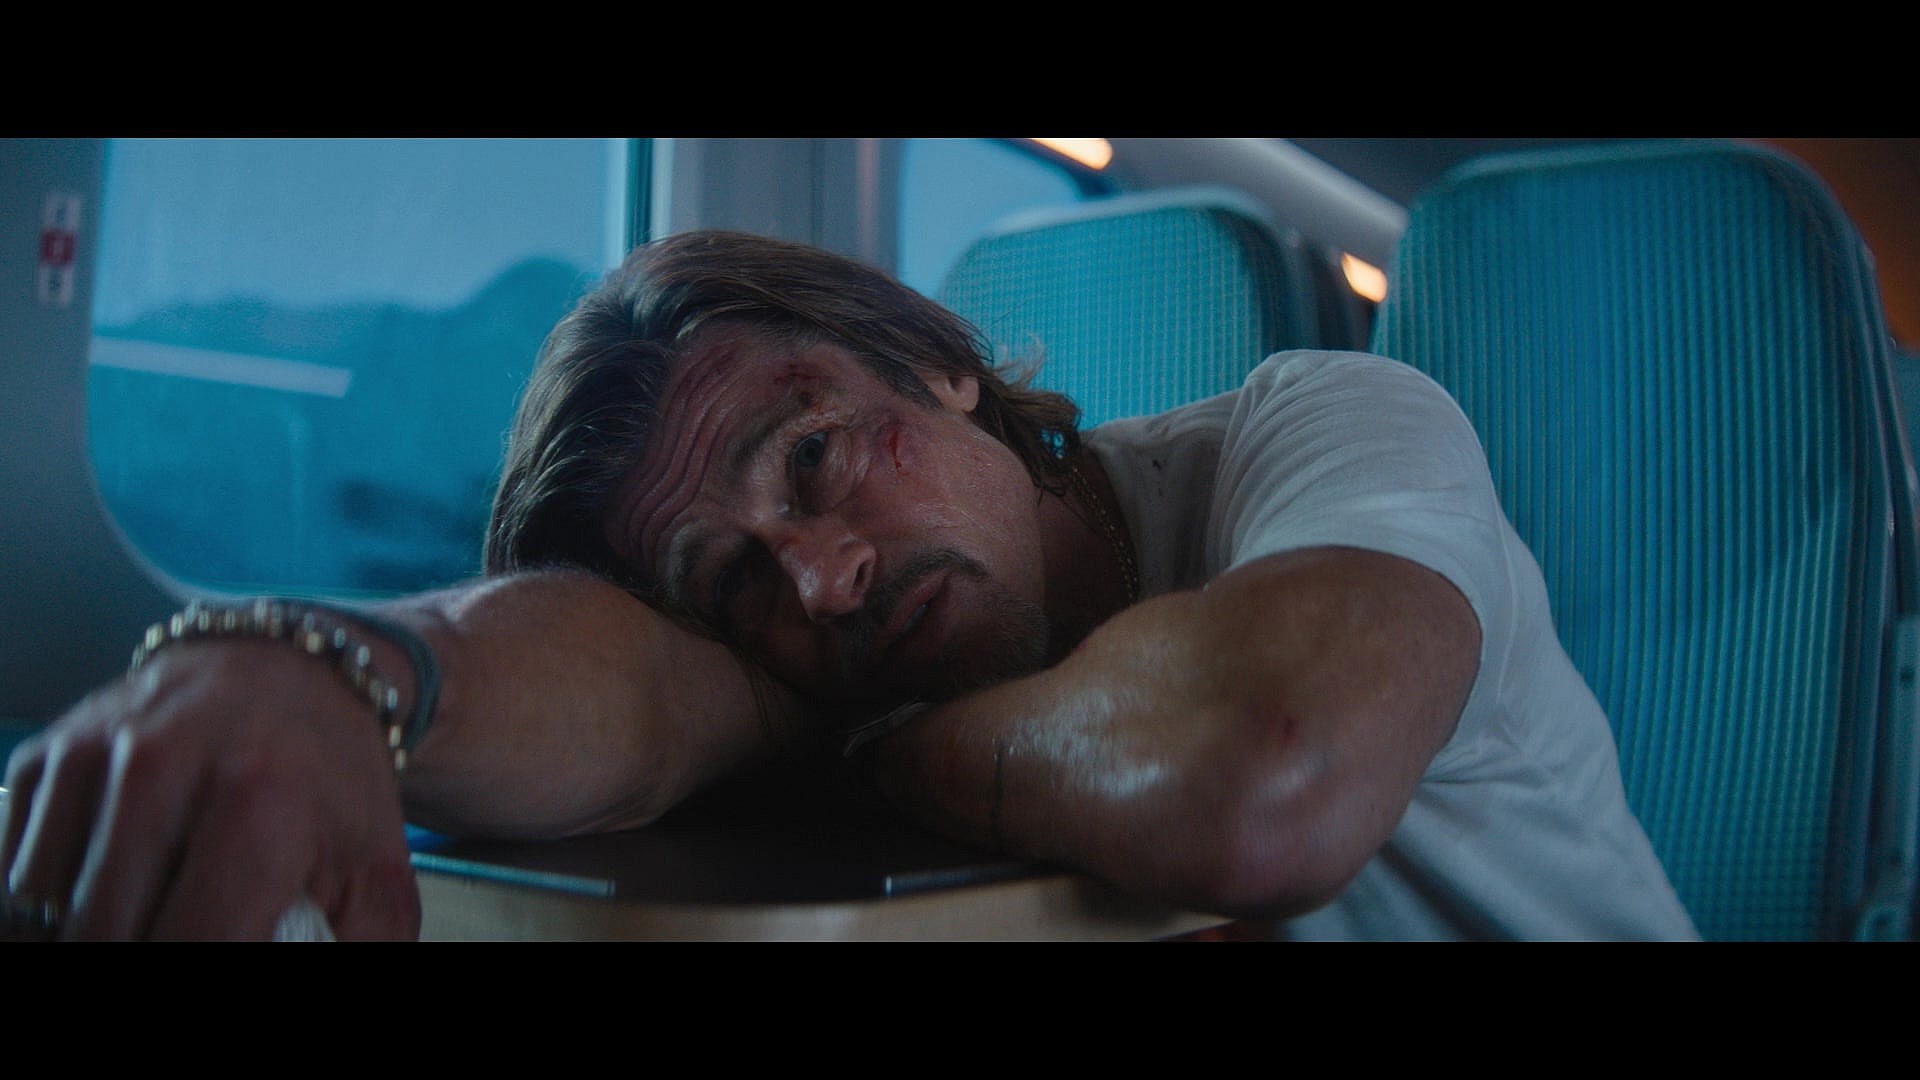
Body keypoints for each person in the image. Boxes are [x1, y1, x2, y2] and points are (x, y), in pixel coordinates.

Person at [1, 230, 1700, 941]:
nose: (816, 583)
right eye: (730, 582)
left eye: (812, 456)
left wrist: (877, 745)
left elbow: (1266, 773)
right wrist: (313, 671)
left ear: (940, 365)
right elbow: (611, 677)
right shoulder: (828, 631)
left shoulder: (1328, 428)